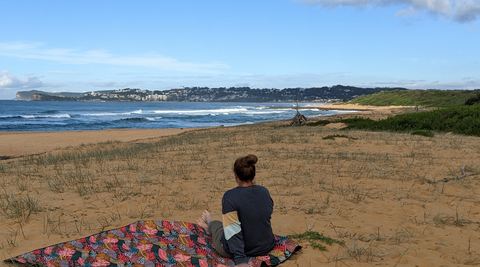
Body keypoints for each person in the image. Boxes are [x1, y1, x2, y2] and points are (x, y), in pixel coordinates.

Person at [196, 154, 275, 267]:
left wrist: (240, 260)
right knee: (236, 223)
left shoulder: (230, 197)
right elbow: (265, 214)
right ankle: (211, 225)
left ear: (235, 175)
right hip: (266, 246)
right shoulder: (264, 191)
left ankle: (210, 225)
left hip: (244, 250)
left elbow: (233, 232)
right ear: (253, 174)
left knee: (219, 226)